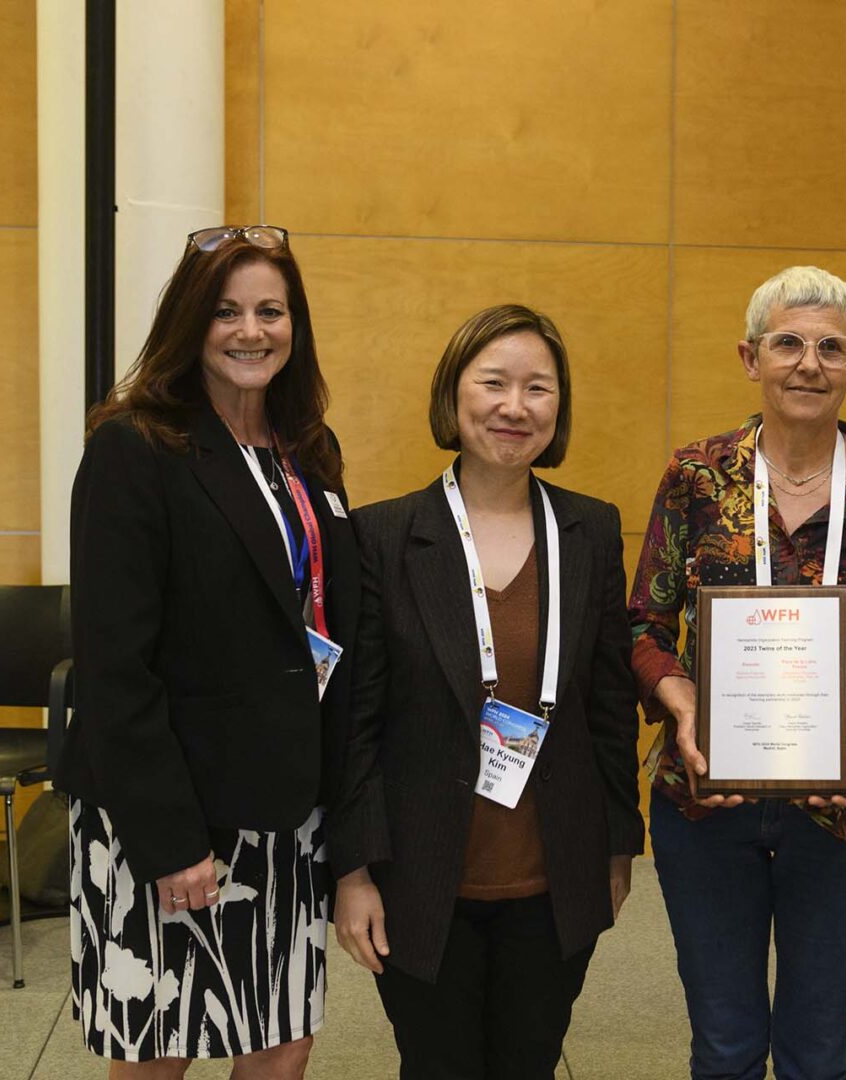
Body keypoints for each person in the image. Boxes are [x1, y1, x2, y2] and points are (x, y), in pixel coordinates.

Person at [628, 266, 846, 1079]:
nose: (809, 363)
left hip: (843, 806)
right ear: (750, 357)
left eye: (830, 348)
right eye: (787, 344)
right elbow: (644, 624)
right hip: (706, 802)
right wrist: (683, 703)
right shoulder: (696, 477)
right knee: (727, 1046)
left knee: (817, 1052)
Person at [59, 225, 359, 1077]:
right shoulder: (135, 449)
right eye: (226, 311)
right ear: (191, 322)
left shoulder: (310, 454)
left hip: (287, 816)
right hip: (175, 819)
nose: (250, 330)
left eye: (271, 310)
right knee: (162, 1048)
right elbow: (114, 667)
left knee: (281, 1042)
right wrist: (169, 839)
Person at [330, 304, 643, 1078]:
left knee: (528, 1062)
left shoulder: (591, 532)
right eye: (494, 382)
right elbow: (355, 721)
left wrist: (616, 841)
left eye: (538, 388)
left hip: (555, 870)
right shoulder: (383, 537)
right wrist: (352, 869)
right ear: (453, 395)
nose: (515, 406)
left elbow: (609, 705)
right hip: (419, 876)